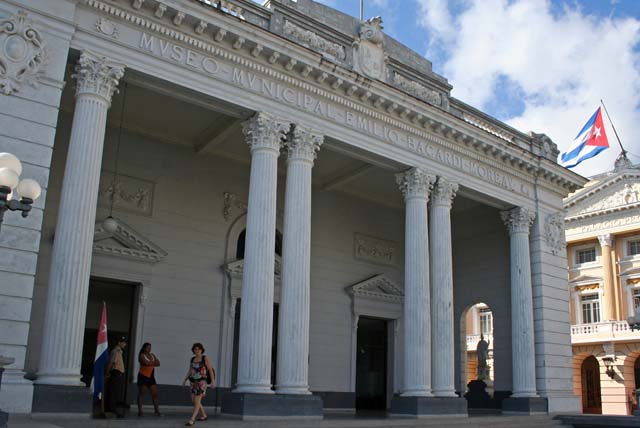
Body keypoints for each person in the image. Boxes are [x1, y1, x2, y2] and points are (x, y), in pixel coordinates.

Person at [182, 343, 215, 426]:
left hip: (201, 382)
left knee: (197, 401)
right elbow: (190, 370)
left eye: (198, 349)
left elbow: (210, 370)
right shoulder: (192, 359)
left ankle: (192, 419)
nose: (197, 350)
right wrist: (185, 379)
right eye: (195, 349)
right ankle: (204, 415)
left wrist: (213, 381)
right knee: (194, 400)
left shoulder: (205, 358)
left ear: (201, 350)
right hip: (193, 382)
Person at [137, 342, 162, 417]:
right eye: (148, 347)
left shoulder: (152, 355)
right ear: (144, 348)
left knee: (155, 394)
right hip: (143, 376)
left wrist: (151, 362)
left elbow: (158, 363)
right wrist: (153, 362)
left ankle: (157, 411)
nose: (149, 349)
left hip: (151, 377)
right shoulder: (142, 355)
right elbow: (146, 363)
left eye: (150, 347)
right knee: (142, 394)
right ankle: (140, 411)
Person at [106, 336, 127, 418]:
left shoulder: (120, 352)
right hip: (115, 373)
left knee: (116, 392)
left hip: (118, 374)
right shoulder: (116, 351)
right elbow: (111, 363)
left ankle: (112, 408)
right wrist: (107, 373)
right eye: (123, 342)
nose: (125, 344)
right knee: (113, 392)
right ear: (119, 343)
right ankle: (111, 409)